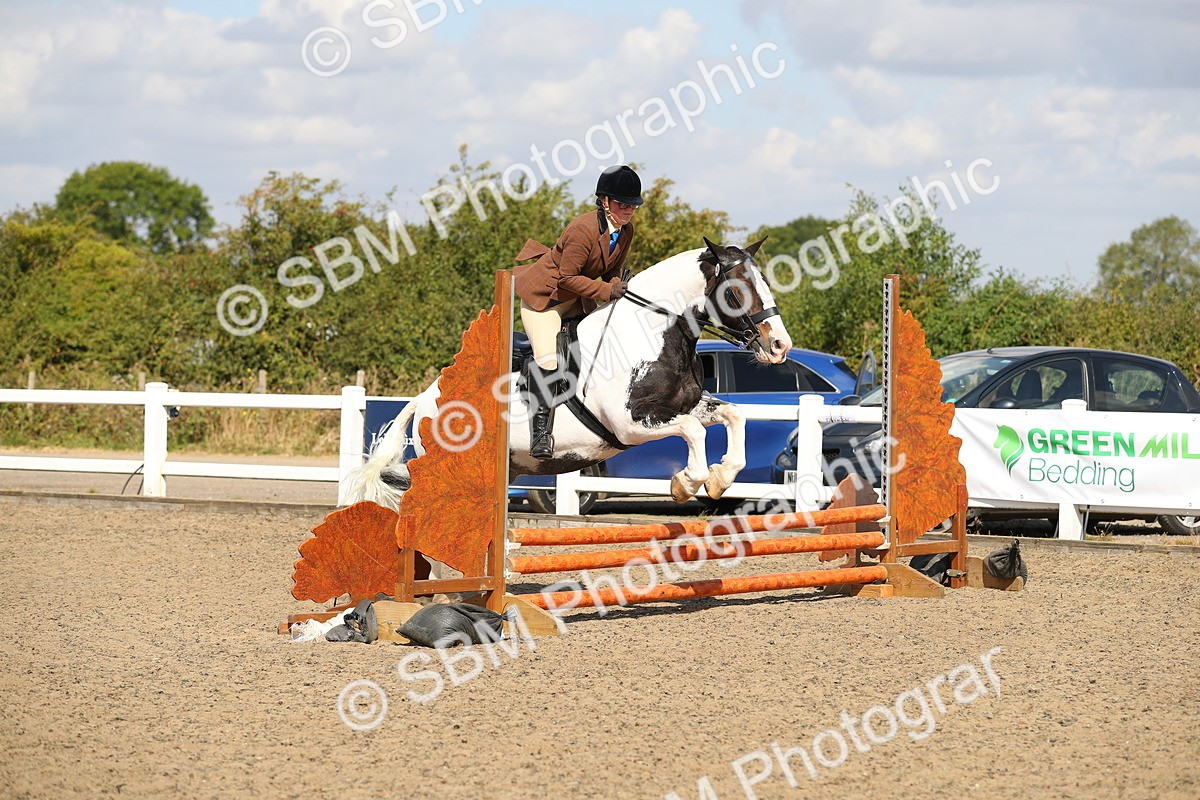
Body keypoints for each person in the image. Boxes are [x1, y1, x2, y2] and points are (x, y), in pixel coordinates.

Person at [512, 164, 643, 459]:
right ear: (605, 202)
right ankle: (541, 435)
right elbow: (567, 278)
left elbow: (611, 271)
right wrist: (608, 291)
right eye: (623, 204)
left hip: (576, 299)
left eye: (633, 205)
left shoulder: (625, 231)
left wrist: (619, 287)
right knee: (548, 362)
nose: (629, 210)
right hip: (544, 301)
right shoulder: (582, 229)